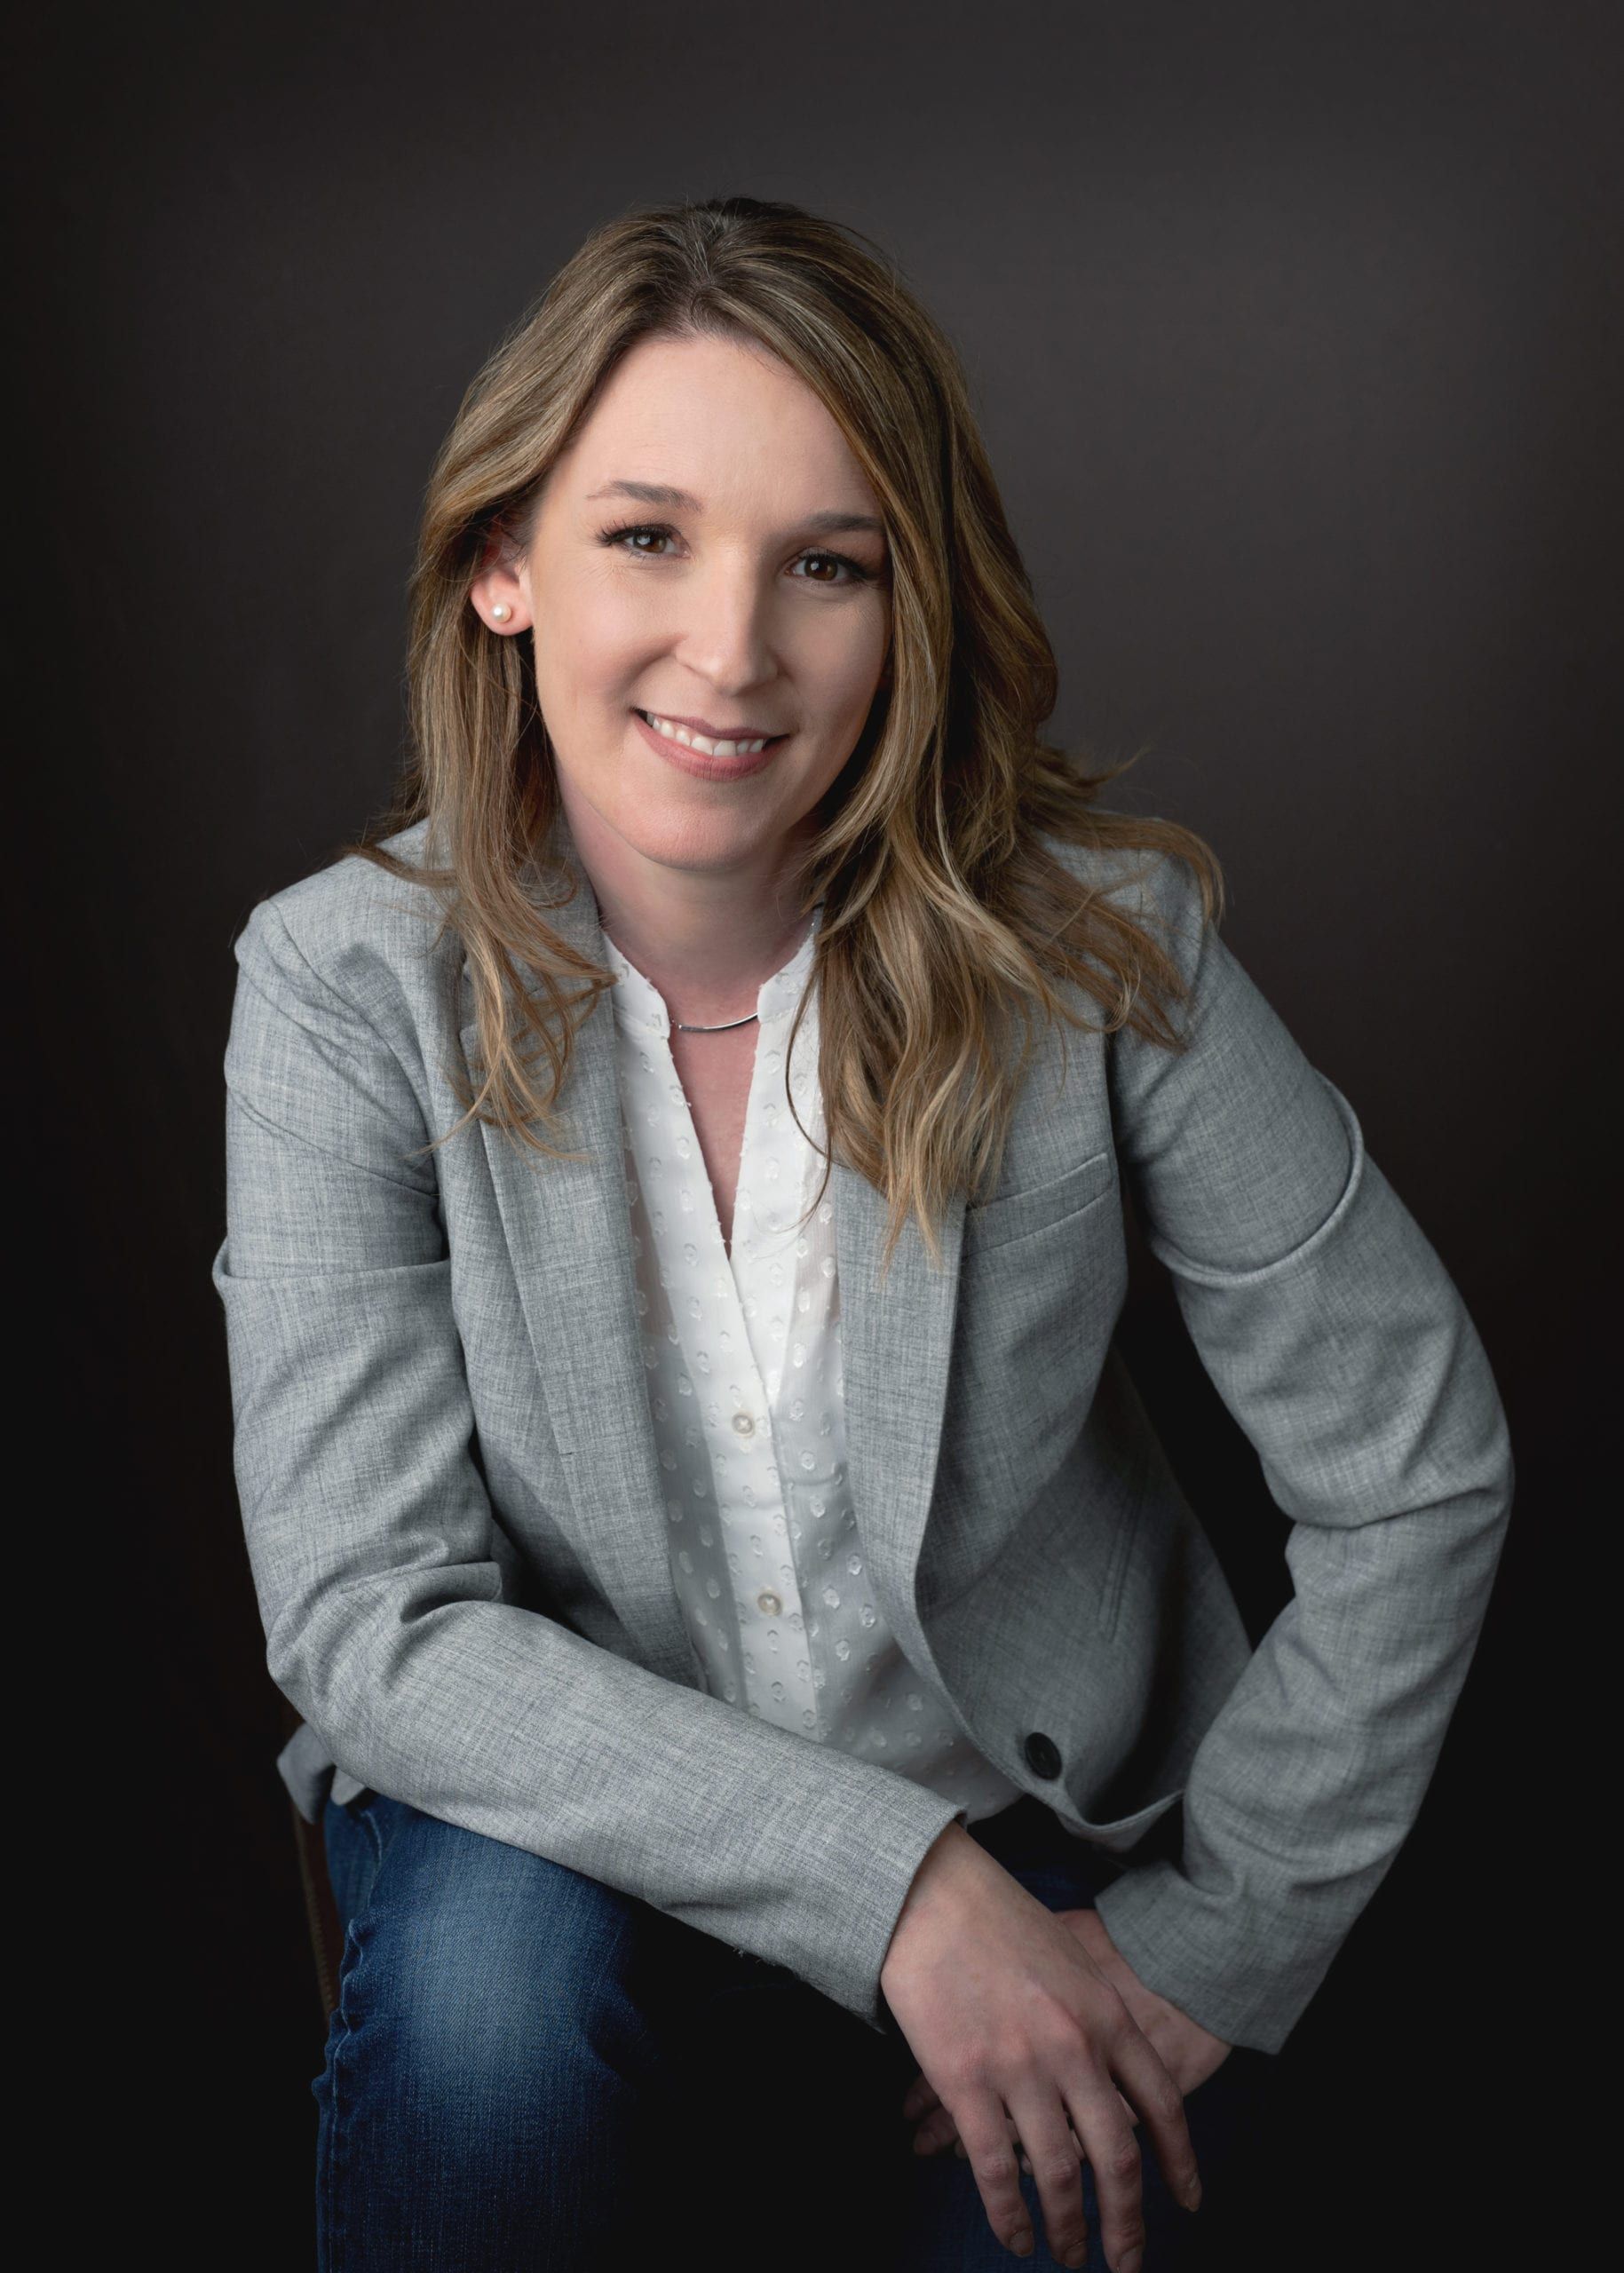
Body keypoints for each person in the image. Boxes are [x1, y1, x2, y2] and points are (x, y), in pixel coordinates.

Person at [212, 194, 1514, 2271]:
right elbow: (377, 1617)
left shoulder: (1099, 944)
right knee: (480, 2025)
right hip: (562, 1861)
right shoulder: (339, 987)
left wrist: (1212, 1936)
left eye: (826, 564)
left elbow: (1418, 1465)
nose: (733, 650)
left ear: (911, 610)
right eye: (647, 535)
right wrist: (896, 1881)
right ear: (503, 566)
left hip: (1048, 1830)